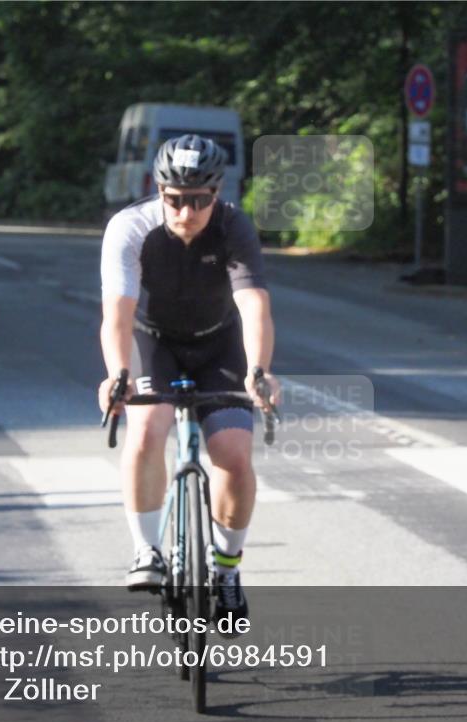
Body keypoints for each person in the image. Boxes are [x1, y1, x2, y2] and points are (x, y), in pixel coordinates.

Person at [97, 134, 280, 632]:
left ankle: (226, 570)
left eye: (200, 199)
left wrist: (258, 369)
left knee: (234, 454)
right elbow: (117, 315)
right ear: (159, 191)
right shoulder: (129, 229)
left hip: (218, 343)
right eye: (175, 199)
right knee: (147, 429)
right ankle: (146, 550)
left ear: (217, 193)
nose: (187, 211)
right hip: (155, 341)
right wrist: (118, 373)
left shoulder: (233, 226)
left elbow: (253, 306)